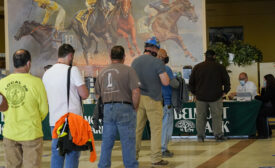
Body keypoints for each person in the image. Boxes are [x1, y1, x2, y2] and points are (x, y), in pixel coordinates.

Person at [42, 44, 89, 168]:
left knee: (57, 152)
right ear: (70, 56)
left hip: (55, 121)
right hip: (71, 120)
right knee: (72, 153)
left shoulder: (47, 73)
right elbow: (84, 94)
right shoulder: (72, 70)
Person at [0, 49, 48, 168]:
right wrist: (34, 120)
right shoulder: (37, 83)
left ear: (13, 64)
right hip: (31, 134)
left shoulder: (2, 82)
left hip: (10, 133)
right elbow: (44, 110)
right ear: (28, 63)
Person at [95, 46, 140, 168]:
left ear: (110, 57)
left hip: (107, 108)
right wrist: (134, 107)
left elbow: (98, 94)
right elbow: (136, 91)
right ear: (124, 57)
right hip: (124, 107)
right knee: (128, 142)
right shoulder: (129, 70)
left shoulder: (102, 72)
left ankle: (103, 166)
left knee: (107, 142)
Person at [132, 37, 170, 166]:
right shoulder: (157, 62)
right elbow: (165, 82)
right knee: (156, 130)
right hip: (153, 99)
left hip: (138, 98)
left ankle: (133, 157)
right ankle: (156, 158)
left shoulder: (135, 62)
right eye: (158, 49)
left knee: (137, 129)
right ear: (154, 48)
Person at [189, 49, 230, 142]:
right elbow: (227, 81)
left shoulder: (197, 67)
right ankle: (218, 135)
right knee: (216, 117)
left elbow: (191, 83)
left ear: (205, 56)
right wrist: (225, 92)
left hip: (200, 98)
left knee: (200, 117)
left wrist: (195, 93)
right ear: (214, 56)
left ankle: (200, 136)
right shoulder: (220, 67)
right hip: (216, 97)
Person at [157, 48, 174, 158]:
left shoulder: (152, 69)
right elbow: (173, 83)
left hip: (157, 101)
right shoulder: (166, 69)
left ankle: (161, 148)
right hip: (166, 101)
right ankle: (163, 149)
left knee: (159, 127)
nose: (166, 56)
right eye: (165, 55)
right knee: (166, 126)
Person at [255, 74, 275, 139]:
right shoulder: (270, 87)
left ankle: (264, 134)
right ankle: (268, 132)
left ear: (268, 80)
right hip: (271, 107)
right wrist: (263, 88)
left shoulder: (272, 88)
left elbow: (265, 98)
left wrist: (255, 96)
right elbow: (264, 97)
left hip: (273, 108)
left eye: (264, 80)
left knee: (259, 114)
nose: (264, 81)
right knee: (261, 112)